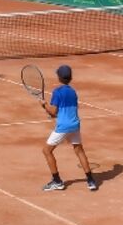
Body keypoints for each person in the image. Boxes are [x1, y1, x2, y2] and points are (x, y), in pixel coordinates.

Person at [40, 64, 98, 192]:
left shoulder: (57, 92)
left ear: (59, 77)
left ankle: (57, 181)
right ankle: (90, 181)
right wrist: (53, 113)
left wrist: (44, 106)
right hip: (75, 124)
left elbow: (54, 112)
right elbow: (65, 111)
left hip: (63, 127)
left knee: (47, 151)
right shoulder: (73, 92)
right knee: (79, 150)